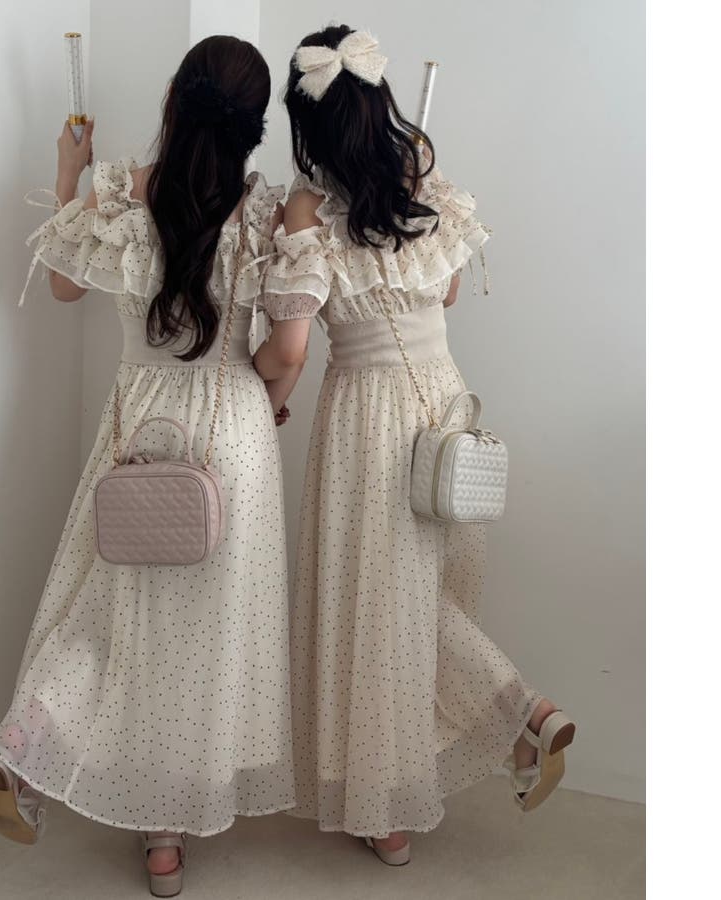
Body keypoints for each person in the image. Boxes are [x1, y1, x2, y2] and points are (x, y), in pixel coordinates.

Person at [0, 35, 295, 897]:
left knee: (108, 617)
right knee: (203, 637)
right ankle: (167, 833)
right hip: (232, 430)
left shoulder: (123, 193)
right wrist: (271, 396)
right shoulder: (265, 214)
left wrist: (68, 173)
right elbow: (286, 347)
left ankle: (27, 746)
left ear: (174, 100)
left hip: (140, 424)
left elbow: (63, 287)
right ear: (253, 125)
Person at [253, 24, 576, 866]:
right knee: (413, 595)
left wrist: (265, 400)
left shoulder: (308, 209)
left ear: (308, 121)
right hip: (445, 399)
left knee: (373, 607)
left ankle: (457, 762)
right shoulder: (420, 178)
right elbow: (450, 291)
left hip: (371, 413)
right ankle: (506, 730)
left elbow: (292, 343)